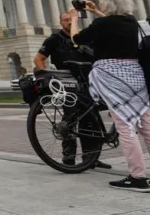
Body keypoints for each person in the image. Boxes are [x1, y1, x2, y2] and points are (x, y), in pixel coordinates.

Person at [70, 0, 150, 192]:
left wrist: (75, 18)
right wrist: (94, 12)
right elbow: (110, 23)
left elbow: (77, 39)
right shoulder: (130, 21)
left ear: (106, 5)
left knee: (125, 126)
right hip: (134, 73)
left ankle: (137, 177)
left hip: (112, 74)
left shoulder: (102, 24)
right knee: (148, 126)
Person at [33, 11, 109, 170]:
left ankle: (91, 157)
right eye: (65, 20)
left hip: (89, 83)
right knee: (69, 121)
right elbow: (38, 59)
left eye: (70, 20)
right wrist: (46, 78)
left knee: (91, 121)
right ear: (60, 23)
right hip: (67, 84)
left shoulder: (84, 39)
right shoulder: (54, 40)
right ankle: (69, 157)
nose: (68, 22)